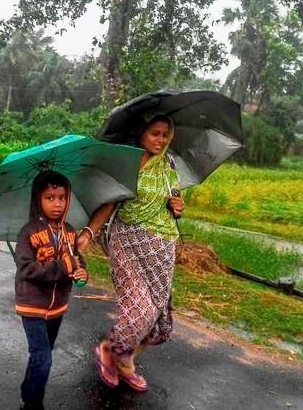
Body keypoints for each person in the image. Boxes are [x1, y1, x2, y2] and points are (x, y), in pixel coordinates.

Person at [76, 115, 184, 392]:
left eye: (165, 135)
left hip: (163, 246)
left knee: (157, 314)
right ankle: (109, 348)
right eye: (154, 133)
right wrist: (89, 232)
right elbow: (109, 205)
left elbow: (173, 203)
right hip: (128, 241)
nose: (160, 140)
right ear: (141, 134)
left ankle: (125, 360)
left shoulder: (169, 165)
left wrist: (178, 206)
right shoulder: (127, 163)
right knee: (140, 309)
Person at [15, 170, 88, 410]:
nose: (57, 204)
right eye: (50, 198)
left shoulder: (69, 231)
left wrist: (81, 271)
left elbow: (77, 259)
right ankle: (32, 403)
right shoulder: (28, 232)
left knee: (42, 355)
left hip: (58, 307)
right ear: (39, 199)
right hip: (32, 306)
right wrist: (62, 266)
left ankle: (28, 391)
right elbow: (27, 268)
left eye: (62, 197)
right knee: (43, 357)